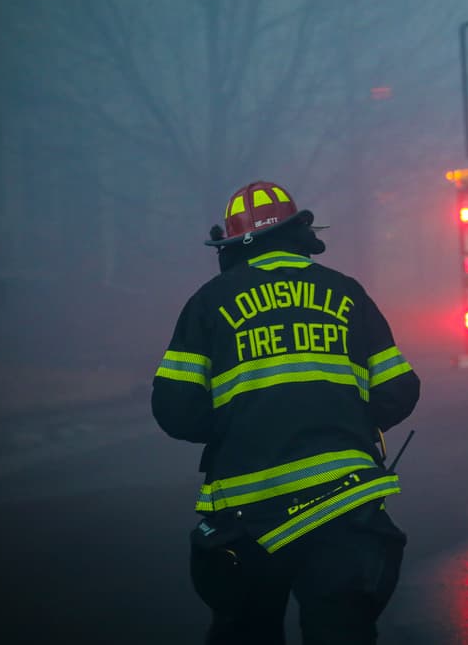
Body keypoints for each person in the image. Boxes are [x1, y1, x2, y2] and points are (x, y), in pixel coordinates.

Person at [152, 180, 420, 644]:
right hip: (345, 506)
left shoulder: (209, 302)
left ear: (233, 245)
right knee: (342, 632)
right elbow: (398, 388)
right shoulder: (346, 293)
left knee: (246, 631)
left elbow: (175, 410)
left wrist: (238, 427)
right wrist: (347, 420)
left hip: (247, 517)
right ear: (300, 233)